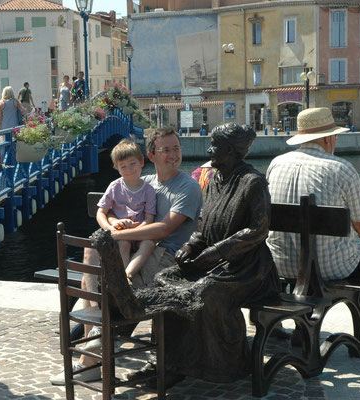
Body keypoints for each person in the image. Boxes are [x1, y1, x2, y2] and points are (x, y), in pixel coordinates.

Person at [103, 123, 280, 388]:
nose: (209, 150)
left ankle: (215, 363)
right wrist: (193, 245)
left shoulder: (252, 182)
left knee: (203, 291)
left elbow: (257, 231)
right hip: (215, 262)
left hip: (248, 268)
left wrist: (214, 252)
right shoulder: (216, 180)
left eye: (215, 146)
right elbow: (207, 225)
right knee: (166, 277)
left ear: (230, 151)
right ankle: (167, 358)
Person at [50, 126, 203, 385]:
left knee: (117, 290)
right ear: (151, 155)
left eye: (176, 148)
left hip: (168, 257)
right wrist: (112, 226)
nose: (172, 154)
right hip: (138, 249)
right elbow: (114, 210)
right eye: (165, 150)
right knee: (91, 254)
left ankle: (89, 359)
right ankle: (97, 327)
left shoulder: (187, 187)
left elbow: (165, 228)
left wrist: (117, 236)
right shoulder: (147, 183)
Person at [266, 107, 360, 308]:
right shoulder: (341, 169)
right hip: (333, 267)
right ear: (328, 139)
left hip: (281, 264)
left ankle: (301, 328)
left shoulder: (276, 165)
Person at [96, 139, 156, 283]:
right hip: (119, 232)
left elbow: (149, 219)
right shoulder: (114, 186)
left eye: (132, 164)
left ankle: (127, 274)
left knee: (149, 243)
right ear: (117, 168)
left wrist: (136, 231)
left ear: (141, 162)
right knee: (124, 243)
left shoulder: (149, 190)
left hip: (139, 231)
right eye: (123, 166)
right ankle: (120, 279)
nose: (129, 169)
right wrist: (110, 228)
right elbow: (101, 212)